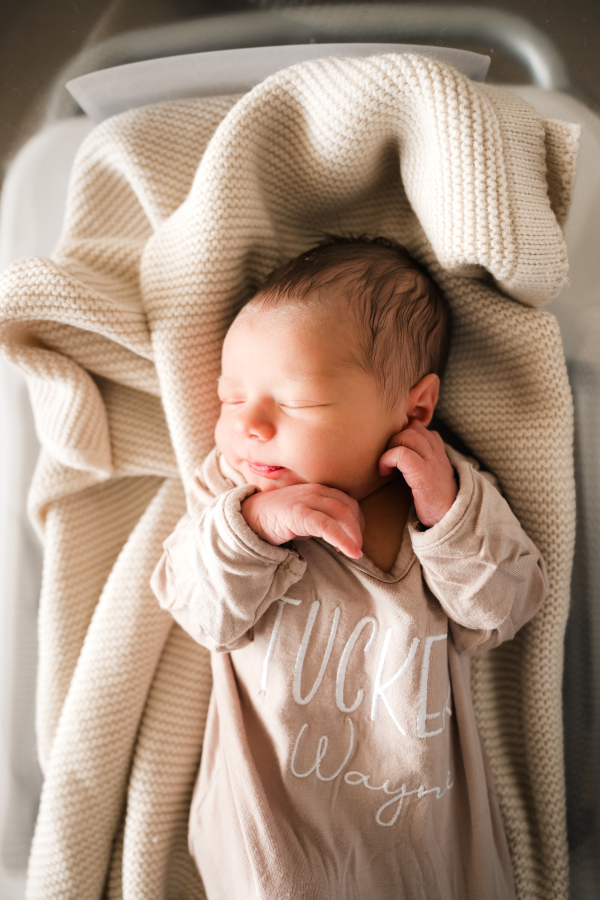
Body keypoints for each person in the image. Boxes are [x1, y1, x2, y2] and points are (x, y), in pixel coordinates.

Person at [151, 236, 548, 900]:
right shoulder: (233, 499)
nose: (248, 425)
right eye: (229, 398)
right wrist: (254, 529)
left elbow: (504, 609)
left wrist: (448, 512)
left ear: (415, 409)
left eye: (296, 402)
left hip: (425, 850)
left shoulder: (447, 499)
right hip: (272, 855)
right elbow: (197, 608)